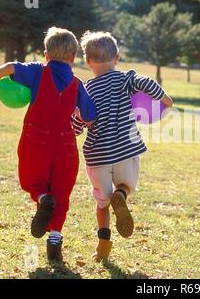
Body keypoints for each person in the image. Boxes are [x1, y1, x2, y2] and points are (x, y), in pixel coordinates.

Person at [0, 27, 97, 263]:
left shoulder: (38, 71)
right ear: (73, 58)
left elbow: (4, 70)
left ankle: (41, 198)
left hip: (35, 139)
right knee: (62, 193)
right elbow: (90, 115)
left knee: (32, 180)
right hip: (65, 144)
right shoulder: (77, 83)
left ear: (46, 54)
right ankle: (55, 242)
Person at [72, 31, 173, 262]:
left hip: (97, 155)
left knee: (101, 203)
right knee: (127, 184)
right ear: (116, 57)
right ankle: (121, 194)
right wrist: (166, 99)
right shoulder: (126, 79)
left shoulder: (86, 90)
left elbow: (79, 122)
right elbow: (145, 82)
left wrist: (75, 127)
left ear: (88, 62)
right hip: (126, 149)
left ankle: (104, 244)